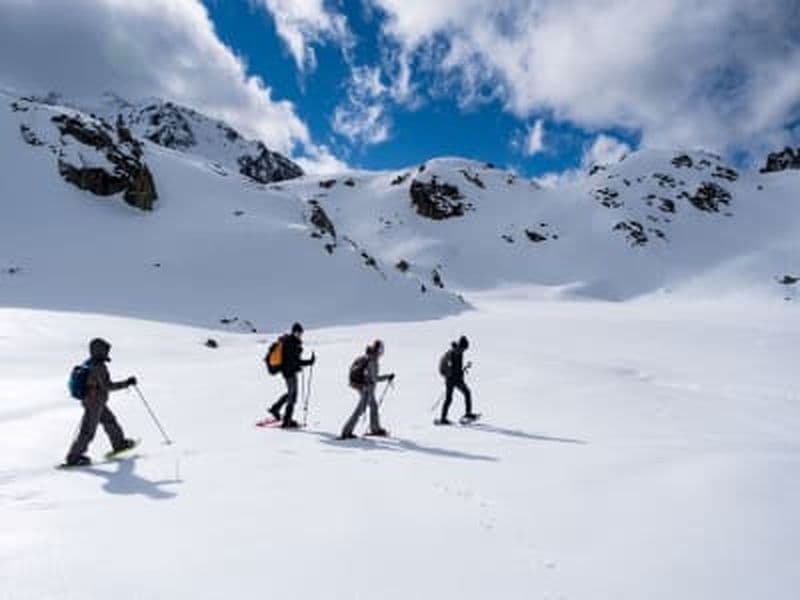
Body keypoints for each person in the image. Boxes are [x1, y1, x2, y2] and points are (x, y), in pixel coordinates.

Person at [64, 338, 138, 466]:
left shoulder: (89, 362)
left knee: (110, 421)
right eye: (106, 350)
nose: (107, 352)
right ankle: (74, 457)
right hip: (94, 403)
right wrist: (126, 383)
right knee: (88, 430)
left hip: (95, 402)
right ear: (100, 351)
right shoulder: (99, 367)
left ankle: (119, 444)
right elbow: (107, 386)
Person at [340, 340, 395, 439]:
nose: (382, 353)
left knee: (373, 406)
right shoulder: (372, 361)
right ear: (378, 350)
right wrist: (387, 377)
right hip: (366, 388)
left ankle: (375, 428)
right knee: (360, 409)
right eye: (381, 350)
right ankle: (346, 431)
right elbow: (374, 378)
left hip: (362, 386)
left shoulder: (367, 357)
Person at [268, 322, 315, 428]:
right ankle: (286, 421)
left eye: (300, 333)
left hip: (289, 371)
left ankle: (276, 409)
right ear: (294, 332)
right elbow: (294, 361)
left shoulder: (292, 342)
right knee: (292, 396)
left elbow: (294, 361)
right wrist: (309, 362)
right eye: (298, 332)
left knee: (291, 393)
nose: (299, 334)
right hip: (289, 372)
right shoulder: (291, 343)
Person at [438, 335, 478, 425]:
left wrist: (461, 371)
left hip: (457, 379)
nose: (465, 350)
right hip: (450, 380)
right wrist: (449, 374)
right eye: (465, 348)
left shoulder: (459, 352)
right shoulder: (451, 353)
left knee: (467, 393)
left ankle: (468, 414)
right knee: (449, 399)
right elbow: (442, 366)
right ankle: (443, 419)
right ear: (461, 346)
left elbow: (457, 367)